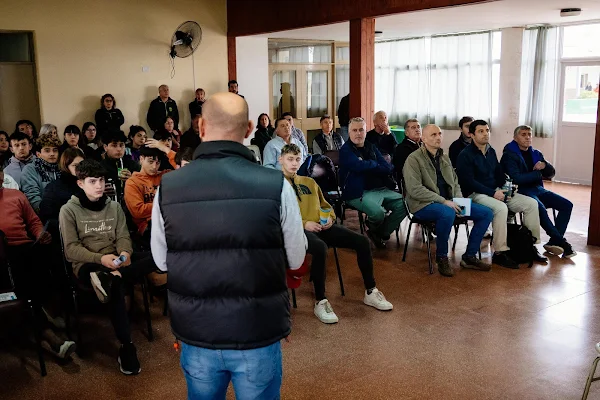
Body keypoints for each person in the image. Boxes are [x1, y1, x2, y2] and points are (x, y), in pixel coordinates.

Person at [151, 92, 306, 398]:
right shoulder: (276, 185)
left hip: (197, 330)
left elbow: (161, 261)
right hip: (257, 329)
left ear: (201, 126)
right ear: (249, 128)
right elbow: (297, 256)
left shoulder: (168, 187)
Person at [59, 159, 159, 375]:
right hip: (88, 265)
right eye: (92, 181)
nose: (98, 185)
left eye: (101, 180)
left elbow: (123, 236)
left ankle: (114, 276)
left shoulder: (113, 206)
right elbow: (71, 250)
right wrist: (101, 259)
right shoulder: (68, 210)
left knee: (158, 256)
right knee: (115, 286)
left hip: (116, 260)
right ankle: (127, 345)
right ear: (80, 184)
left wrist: (125, 253)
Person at [280, 143, 392, 323]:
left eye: (297, 159)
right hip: (296, 230)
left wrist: (330, 218)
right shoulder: (276, 185)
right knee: (320, 248)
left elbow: (325, 206)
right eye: (290, 159)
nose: (294, 163)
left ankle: (371, 291)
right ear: (281, 160)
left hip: (321, 226)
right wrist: (304, 224)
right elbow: (277, 216)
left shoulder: (309, 182)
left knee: (362, 242)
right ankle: (320, 300)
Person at [0, 170, 77, 359]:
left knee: (53, 257)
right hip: (3, 256)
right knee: (20, 280)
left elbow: (34, 221)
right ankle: (49, 335)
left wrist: (40, 234)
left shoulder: (16, 195)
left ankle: (49, 312)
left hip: (25, 247)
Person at [403, 125, 494, 277]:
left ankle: (469, 256)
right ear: (424, 139)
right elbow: (415, 190)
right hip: (423, 205)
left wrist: (459, 200)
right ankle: (441, 257)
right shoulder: (413, 159)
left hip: (449, 202)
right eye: (433, 135)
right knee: (447, 213)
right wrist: (443, 201)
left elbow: (455, 182)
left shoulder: (444, 157)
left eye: (439, 134)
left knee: (486, 213)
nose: (438, 137)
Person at [456, 120, 544, 268]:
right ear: (471, 135)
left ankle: (530, 245)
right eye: (481, 131)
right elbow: (468, 182)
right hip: (475, 194)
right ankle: (500, 252)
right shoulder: (465, 155)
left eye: (487, 130)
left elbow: (498, 173)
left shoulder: (490, 151)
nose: (486, 134)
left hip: (495, 191)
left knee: (531, 204)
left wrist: (507, 188)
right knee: (501, 208)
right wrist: (493, 193)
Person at [501, 125, 576, 258]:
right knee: (539, 207)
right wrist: (538, 174)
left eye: (529, 134)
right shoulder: (509, 155)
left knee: (567, 205)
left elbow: (551, 173)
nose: (527, 137)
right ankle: (561, 242)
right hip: (521, 191)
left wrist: (544, 165)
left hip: (538, 189)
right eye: (523, 134)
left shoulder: (536, 153)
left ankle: (554, 241)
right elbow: (516, 178)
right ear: (515, 138)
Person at [339, 117, 406, 248]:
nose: (358, 133)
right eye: (354, 130)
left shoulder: (371, 147)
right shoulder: (345, 150)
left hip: (380, 189)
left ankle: (380, 232)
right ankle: (376, 229)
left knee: (405, 204)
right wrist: (374, 164)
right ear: (349, 132)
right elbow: (358, 166)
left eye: (361, 130)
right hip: (358, 192)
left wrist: (368, 165)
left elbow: (387, 168)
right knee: (378, 213)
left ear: (366, 131)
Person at [124, 146, 169, 238]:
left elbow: (185, 168)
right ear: (141, 159)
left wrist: (166, 149)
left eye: (158, 163)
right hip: (147, 226)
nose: (154, 166)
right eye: (150, 162)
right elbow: (138, 211)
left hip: (169, 219)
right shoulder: (132, 182)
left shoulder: (166, 175)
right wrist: (166, 205)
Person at [39, 148, 85, 224]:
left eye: (82, 164)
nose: (80, 169)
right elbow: (47, 217)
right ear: (66, 166)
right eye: (75, 165)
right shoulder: (53, 188)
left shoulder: (90, 185)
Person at [21, 133, 61, 213]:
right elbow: (33, 198)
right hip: (42, 214)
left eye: (55, 150)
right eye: (47, 150)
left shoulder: (62, 168)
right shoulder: (30, 169)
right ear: (38, 154)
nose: (52, 154)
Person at [100, 130, 140, 203]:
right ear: (105, 147)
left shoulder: (133, 165)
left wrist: (132, 180)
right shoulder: (99, 167)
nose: (119, 149)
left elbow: (144, 187)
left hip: (130, 205)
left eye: (121, 145)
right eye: (114, 145)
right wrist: (100, 191)